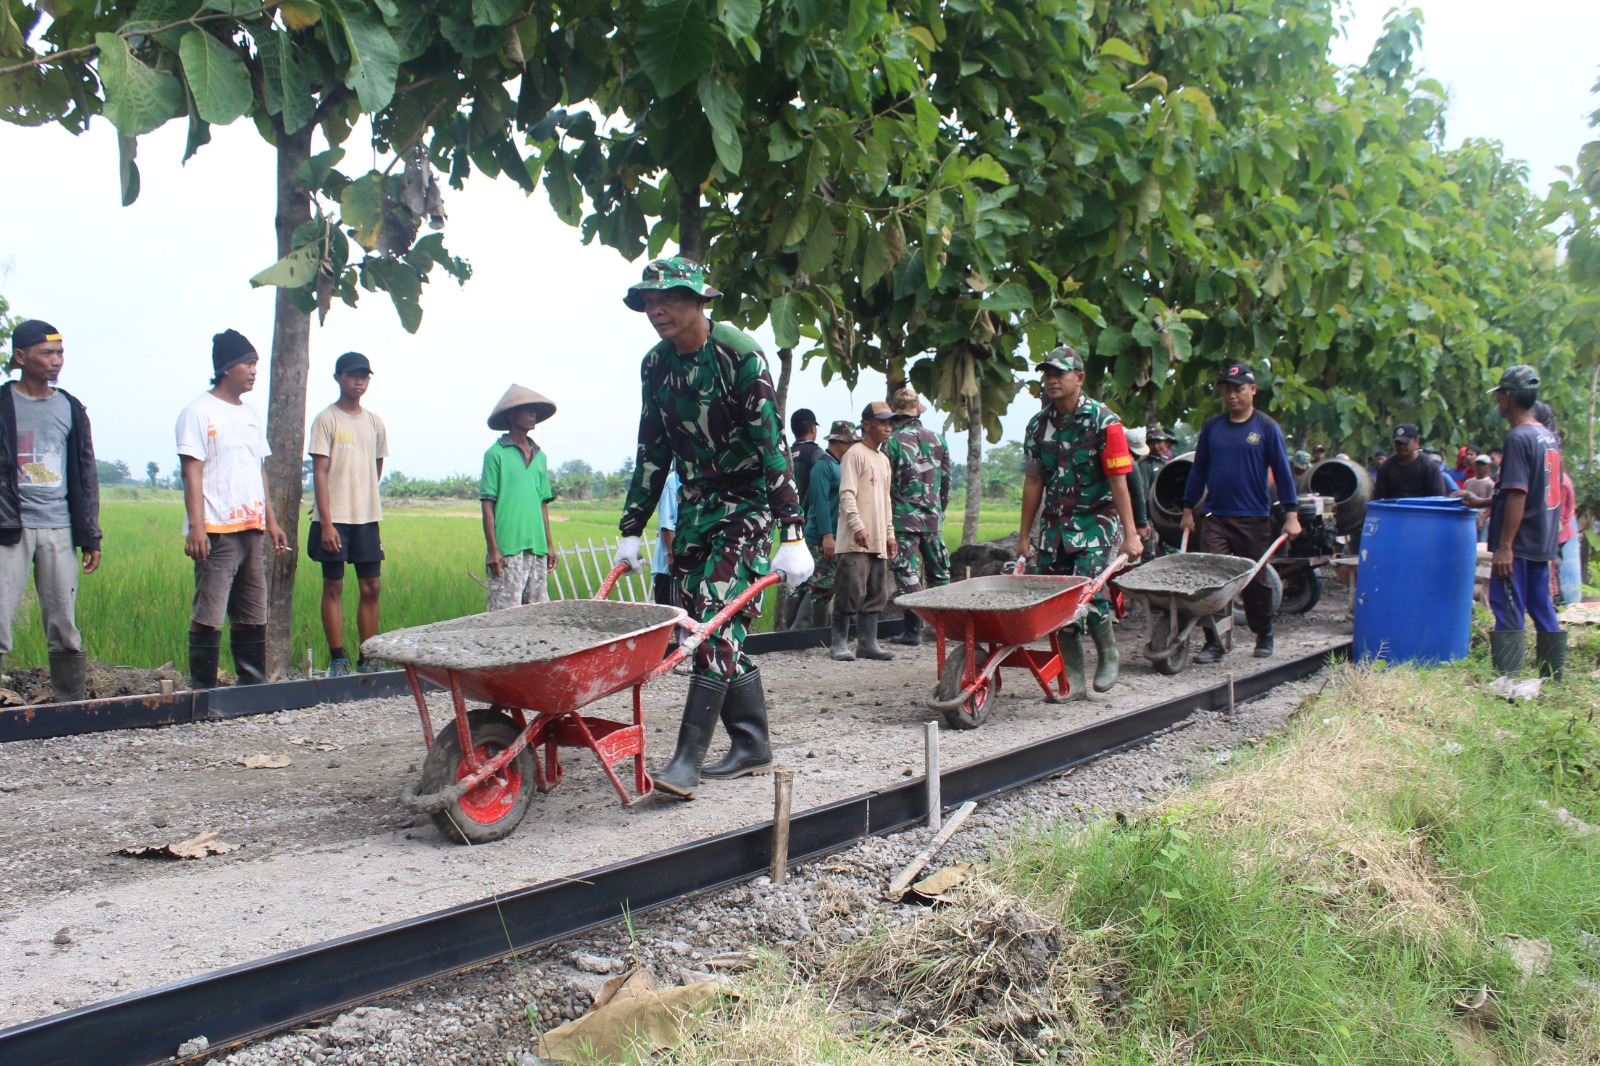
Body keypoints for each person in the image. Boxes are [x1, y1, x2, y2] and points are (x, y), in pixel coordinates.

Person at [611, 256, 812, 799]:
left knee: (713, 626)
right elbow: (652, 450)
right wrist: (631, 528)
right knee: (705, 621)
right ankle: (752, 744)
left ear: (700, 300)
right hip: (696, 506)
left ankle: (685, 762)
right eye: (649, 302)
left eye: (669, 299)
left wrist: (792, 532)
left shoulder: (738, 355)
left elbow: (772, 446)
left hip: (747, 504)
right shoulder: (655, 365)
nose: (657, 310)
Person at [1016, 348, 1142, 699]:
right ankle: (1073, 678)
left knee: (1091, 591)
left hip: (1095, 522)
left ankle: (1108, 653)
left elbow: (1119, 480)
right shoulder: (1037, 425)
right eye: (1047, 374)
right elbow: (1033, 482)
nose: (1051, 380)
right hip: (1055, 526)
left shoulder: (1105, 421)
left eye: (1059, 373)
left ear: (1080, 378)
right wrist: (1025, 535)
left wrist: (1131, 534)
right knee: (1056, 600)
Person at [176, 329, 287, 688]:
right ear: (226, 368)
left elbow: (258, 471)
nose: (254, 371)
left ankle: (251, 684)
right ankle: (204, 687)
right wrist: (197, 527)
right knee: (210, 610)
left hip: (251, 526)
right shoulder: (198, 412)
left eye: (255, 364)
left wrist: (272, 522)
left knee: (252, 609)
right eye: (247, 364)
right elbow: (192, 473)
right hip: (217, 528)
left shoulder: (251, 414)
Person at [0, 319, 102, 701]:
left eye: (60, 352)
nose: (56, 360)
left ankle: (68, 705)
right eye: (47, 353)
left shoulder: (70, 408)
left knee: (64, 623)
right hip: (9, 527)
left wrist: (91, 534)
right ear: (20, 356)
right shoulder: (3, 404)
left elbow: (86, 474)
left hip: (59, 528)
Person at [1181, 362, 1301, 661]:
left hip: (1253, 518)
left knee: (1255, 581)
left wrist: (1291, 514)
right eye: (1228, 390)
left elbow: (1283, 473)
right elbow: (1198, 470)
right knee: (1212, 582)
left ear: (1253, 390)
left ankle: (1264, 631)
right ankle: (1215, 641)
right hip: (1216, 516)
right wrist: (1187, 509)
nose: (1232, 395)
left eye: (1239, 389)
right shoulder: (1213, 428)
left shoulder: (1266, 428)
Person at [1457, 366, 1563, 678]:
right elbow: (1530, 490)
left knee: (1508, 606)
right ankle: (1553, 677)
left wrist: (1504, 547)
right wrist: (1482, 501)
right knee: (1541, 605)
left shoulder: (1518, 438)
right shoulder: (1547, 437)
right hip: (1541, 539)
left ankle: (1508, 679)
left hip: (1519, 543)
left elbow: (1518, 493)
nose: (1498, 401)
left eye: (1500, 394)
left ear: (1509, 397)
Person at [307, 352, 388, 675]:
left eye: (364, 376)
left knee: (372, 587)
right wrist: (326, 523)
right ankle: (338, 658)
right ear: (338, 377)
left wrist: (362, 495)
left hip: (366, 518)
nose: (359, 381)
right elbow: (320, 473)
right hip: (333, 519)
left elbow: (376, 468)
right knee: (334, 586)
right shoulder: (327, 419)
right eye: (353, 375)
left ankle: (368, 658)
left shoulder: (374, 423)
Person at [480, 385, 558, 611]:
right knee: (504, 616)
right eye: (527, 409)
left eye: (535, 410)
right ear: (511, 415)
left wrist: (549, 546)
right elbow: (487, 504)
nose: (533, 414)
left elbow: (542, 504)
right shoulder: (495, 454)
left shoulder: (540, 456)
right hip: (508, 549)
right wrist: (493, 549)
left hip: (537, 547)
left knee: (538, 615)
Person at [885, 387, 951, 646]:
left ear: (896, 414)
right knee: (939, 574)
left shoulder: (892, 442)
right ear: (917, 411)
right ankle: (945, 629)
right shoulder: (938, 440)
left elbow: (886, 485)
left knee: (907, 573)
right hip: (932, 519)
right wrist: (938, 511)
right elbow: (946, 483)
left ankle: (913, 632)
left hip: (903, 520)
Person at [833, 402, 899, 662]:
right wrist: (857, 525)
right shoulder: (854, 454)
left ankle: (868, 644)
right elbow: (847, 494)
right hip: (855, 540)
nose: (888, 428)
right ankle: (839, 643)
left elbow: (886, 501)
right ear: (867, 425)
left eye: (890, 423)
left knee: (876, 593)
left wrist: (890, 534)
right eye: (883, 423)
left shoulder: (883, 460)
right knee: (850, 591)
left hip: (878, 539)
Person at [798, 419, 856, 630]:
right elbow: (820, 503)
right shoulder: (823, 466)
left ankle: (833, 631)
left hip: (838, 535)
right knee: (821, 588)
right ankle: (817, 634)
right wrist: (827, 536)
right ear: (839, 442)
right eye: (850, 442)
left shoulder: (840, 465)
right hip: (822, 537)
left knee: (837, 585)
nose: (852, 447)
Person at [1373, 424, 1453, 499]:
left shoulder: (1429, 467)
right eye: (1398, 443)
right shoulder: (1386, 467)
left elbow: (1438, 498)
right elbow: (1379, 498)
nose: (1401, 446)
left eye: (1405, 443)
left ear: (1417, 442)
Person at [651, 466, 681, 608]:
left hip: (686, 566)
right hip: (669, 568)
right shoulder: (674, 480)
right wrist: (671, 554)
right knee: (670, 613)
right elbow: (667, 525)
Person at [789, 408, 821, 516]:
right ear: (812, 428)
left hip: (787, 517)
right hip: (809, 519)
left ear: (793, 430)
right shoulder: (816, 453)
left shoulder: (785, 454)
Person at [1459, 455, 1495, 544]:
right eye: (1478, 464)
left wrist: (1483, 519)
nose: (1480, 467)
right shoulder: (1468, 482)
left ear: (1488, 467)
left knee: (1480, 544)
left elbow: (1492, 504)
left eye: (1483, 465)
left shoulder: (1490, 484)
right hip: (1468, 518)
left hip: (1482, 519)